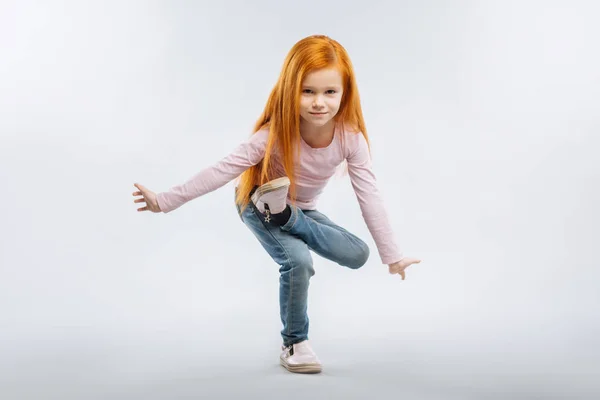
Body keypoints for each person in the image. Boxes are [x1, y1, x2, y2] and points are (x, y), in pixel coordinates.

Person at [132, 34, 421, 374]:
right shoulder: (274, 135)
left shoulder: (350, 139)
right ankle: (294, 343)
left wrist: (394, 256)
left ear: (345, 93)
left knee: (359, 254)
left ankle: (288, 216)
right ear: (290, 89)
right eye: (307, 91)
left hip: (300, 210)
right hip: (257, 203)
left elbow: (369, 195)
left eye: (330, 92)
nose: (319, 103)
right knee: (299, 261)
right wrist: (164, 201)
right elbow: (222, 170)